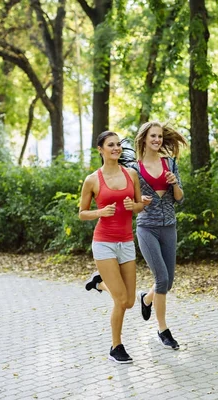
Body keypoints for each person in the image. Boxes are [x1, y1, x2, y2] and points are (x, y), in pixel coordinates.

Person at [80, 130, 150, 364]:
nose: (116, 148)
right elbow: (82, 213)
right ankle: (116, 347)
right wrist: (99, 212)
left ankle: (99, 283)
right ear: (100, 149)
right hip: (104, 243)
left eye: (118, 144)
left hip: (126, 242)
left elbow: (140, 206)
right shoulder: (92, 179)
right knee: (120, 300)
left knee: (129, 301)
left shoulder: (131, 174)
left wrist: (135, 205)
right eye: (111, 145)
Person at [132, 121, 187, 350]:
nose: (157, 140)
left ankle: (145, 298)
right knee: (162, 279)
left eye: (160, 137)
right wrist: (140, 202)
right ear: (144, 138)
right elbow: (131, 204)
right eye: (153, 136)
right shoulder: (134, 169)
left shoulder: (170, 163)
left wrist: (174, 184)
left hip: (169, 226)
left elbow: (180, 198)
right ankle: (163, 330)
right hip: (147, 227)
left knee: (168, 281)